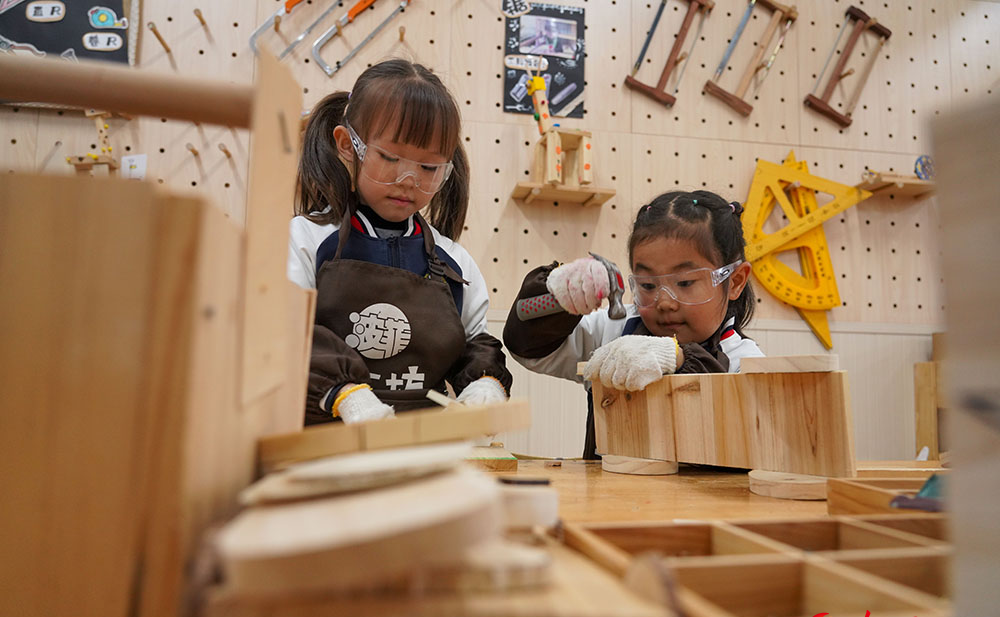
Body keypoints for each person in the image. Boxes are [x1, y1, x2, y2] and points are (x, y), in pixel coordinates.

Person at [288, 59, 512, 426]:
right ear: (349, 145)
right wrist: (345, 392)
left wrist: (484, 382)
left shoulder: (452, 260)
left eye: (428, 168)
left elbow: (476, 342)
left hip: (419, 451)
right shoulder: (307, 239)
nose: (408, 180)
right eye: (390, 158)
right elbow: (287, 329)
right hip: (319, 448)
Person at [503, 190, 764, 458]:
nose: (665, 302)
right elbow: (530, 350)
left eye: (685, 283)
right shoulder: (615, 329)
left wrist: (679, 359)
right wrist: (561, 296)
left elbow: (740, 447)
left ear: (734, 281)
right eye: (648, 285)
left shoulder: (745, 363)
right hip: (608, 498)